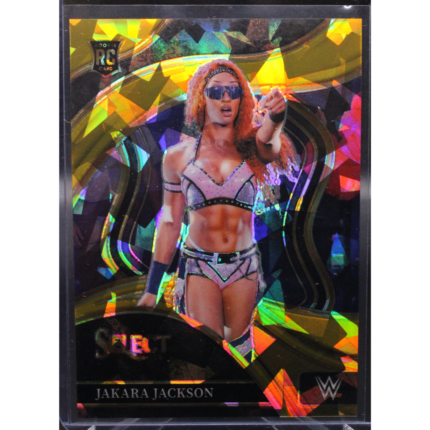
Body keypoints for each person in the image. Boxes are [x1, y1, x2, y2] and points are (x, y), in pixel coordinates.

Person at [137, 60, 296, 343]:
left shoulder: (253, 148)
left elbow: (270, 142)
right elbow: (170, 223)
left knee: (238, 349)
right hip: (200, 266)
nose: (225, 98)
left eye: (233, 91)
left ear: (242, 99)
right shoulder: (177, 157)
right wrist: (152, 288)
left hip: (244, 267)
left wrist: (276, 117)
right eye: (216, 91)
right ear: (201, 97)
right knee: (208, 347)